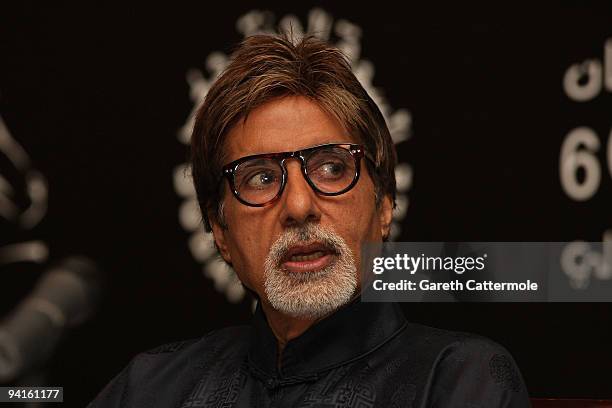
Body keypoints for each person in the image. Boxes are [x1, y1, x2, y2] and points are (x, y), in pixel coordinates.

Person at [89, 33, 531, 407]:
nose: (299, 206)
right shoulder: (151, 387)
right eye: (261, 177)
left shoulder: (457, 379)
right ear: (219, 231)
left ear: (384, 206)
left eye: (332, 168)